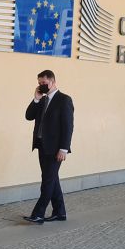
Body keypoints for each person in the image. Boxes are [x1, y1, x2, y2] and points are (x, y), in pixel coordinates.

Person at [23, 70, 74, 224]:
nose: (41, 85)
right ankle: (60, 212)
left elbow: (68, 126)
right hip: (42, 146)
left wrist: (63, 149)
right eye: (39, 83)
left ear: (53, 81)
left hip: (56, 148)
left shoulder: (64, 100)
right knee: (52, 179)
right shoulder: (42, 100)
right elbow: (28, 116)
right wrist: (36, 99)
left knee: (47, 181)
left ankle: (38, 214)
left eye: (44, 83)